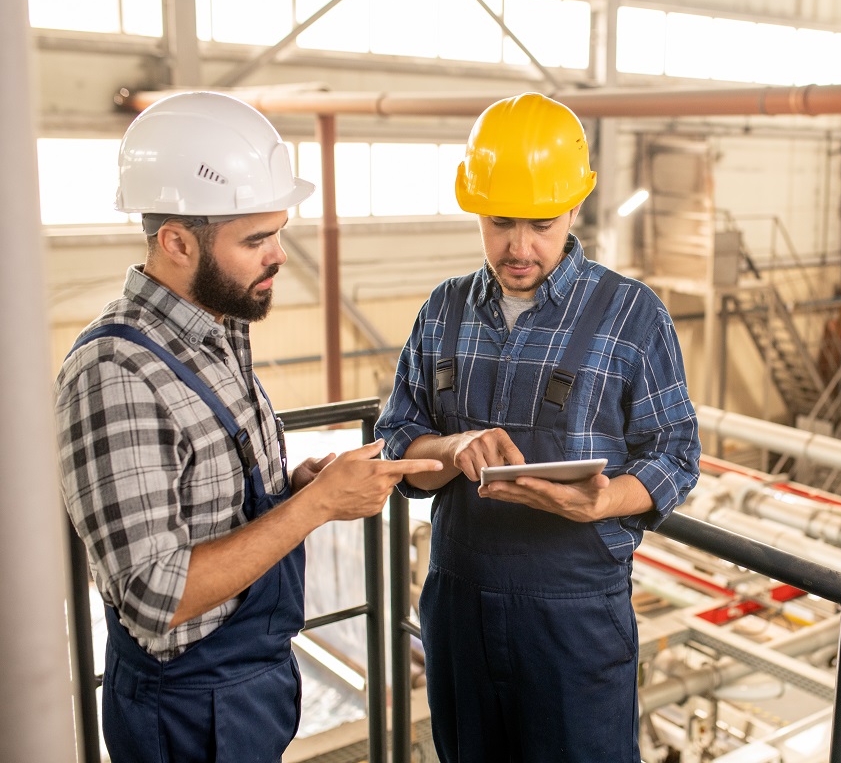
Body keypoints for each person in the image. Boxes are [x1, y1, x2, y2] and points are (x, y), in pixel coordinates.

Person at [54, 91, 441, 763]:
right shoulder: (114, 375)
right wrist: (316, 507)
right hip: (186, 710)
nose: (279, 256)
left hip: (247, 684)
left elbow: (213, 498)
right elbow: (156, 594)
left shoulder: (217, 330)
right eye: (256, 239)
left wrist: (296, 487)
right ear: (175, 241)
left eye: (278, 232)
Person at [376, 92, 701, 761]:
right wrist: (451, 446)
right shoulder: (444, 311)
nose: (519, 247)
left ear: (575, 208)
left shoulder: (631, 315)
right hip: (458, 605)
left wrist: (607, 499)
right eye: (500, 223)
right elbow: (397, 439)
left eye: (541, 224)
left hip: (574, 619)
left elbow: (677, 450)